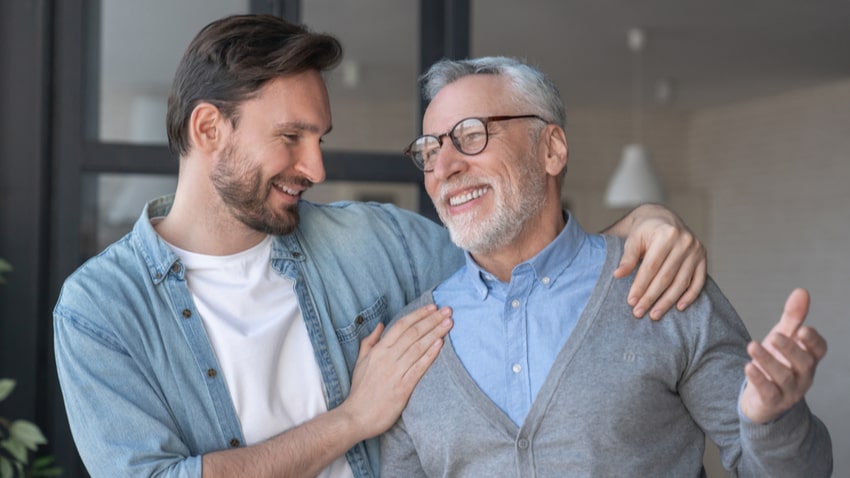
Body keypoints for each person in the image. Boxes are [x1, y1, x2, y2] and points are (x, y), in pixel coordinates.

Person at [53, 15, 708, 478]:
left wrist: (640, 223)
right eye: (291, 137)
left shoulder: (376, 240)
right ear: (208, 127)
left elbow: (525, 269)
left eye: (320, 138)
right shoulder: (99, 311)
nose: (315, 168)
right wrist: (352, 419)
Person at [379, 55, 833, 477]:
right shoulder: (410, 342)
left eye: (471, 135)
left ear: (552, 149)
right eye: (430, 150)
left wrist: (773, 421)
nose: (445, 166)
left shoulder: (662, 284)